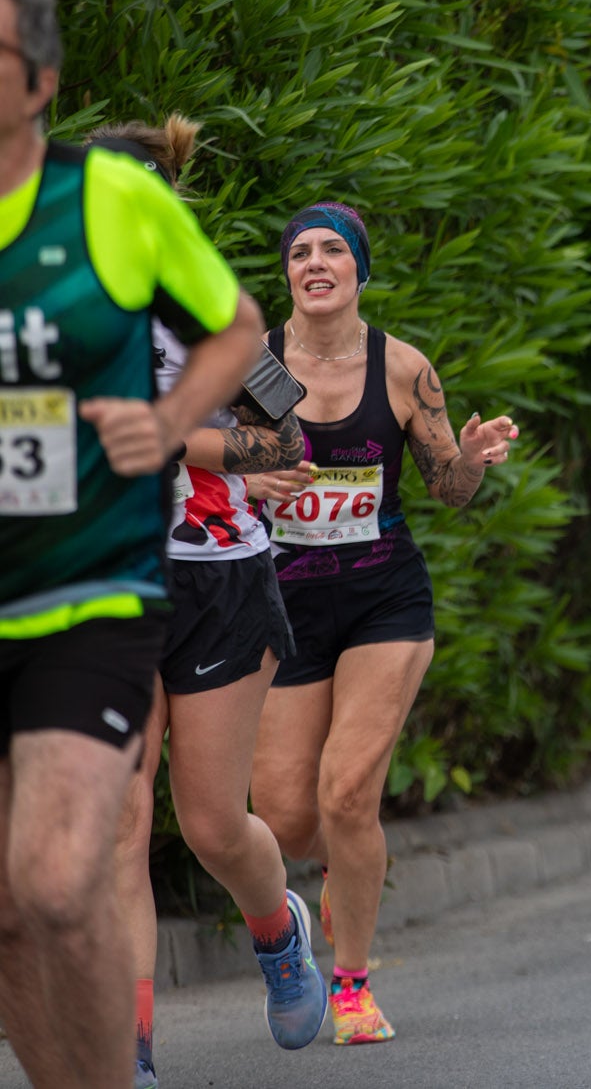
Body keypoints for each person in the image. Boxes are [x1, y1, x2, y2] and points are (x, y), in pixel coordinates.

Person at [0, 0, 264, 1089]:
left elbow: (278, 422)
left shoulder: (122, 223)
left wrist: (177, 432)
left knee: (122, 852)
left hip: (156, 573)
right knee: (39, 891)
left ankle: (267, 940)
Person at [86, 117, 327, 1086]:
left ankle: (278, 933)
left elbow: (288, 445)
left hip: (220, 577)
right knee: (115, 827)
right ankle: (131, 1054)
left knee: (213, 825)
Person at [248, 201, 518, 1047]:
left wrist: (468, 460)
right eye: (301, 252)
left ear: (360, 269)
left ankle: (354, 985)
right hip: (284, 601)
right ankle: (324, 881)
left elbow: (447, 488)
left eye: (334, 249)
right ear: (287, 272)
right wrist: (252, 487)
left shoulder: (401, 368)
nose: (316, 261)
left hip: (383, 599)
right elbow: (212, 474)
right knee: (286, 816)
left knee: (348, 791)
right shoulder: (254, 369)